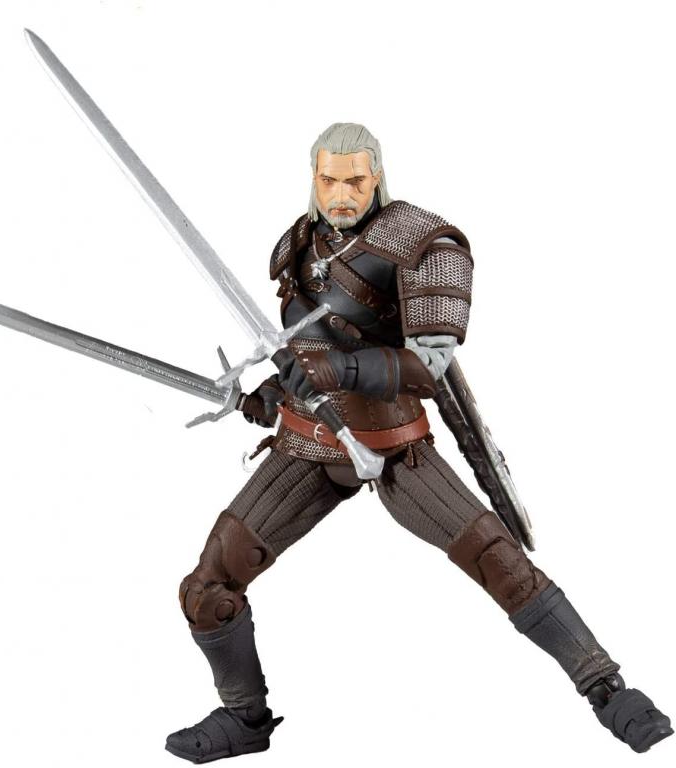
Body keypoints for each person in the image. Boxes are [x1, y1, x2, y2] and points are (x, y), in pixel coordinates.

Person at [164, 123, 672, 763]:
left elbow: (428, 367)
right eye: (329, 179)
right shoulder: (299, 243)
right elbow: (301, 347)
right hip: (309, 440)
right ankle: (245, 718)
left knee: (501, 564)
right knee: (207, 587)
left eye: (355, 179)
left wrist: (340, 370)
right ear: (313, 177)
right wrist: (272, 391)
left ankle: (608, 691)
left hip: (391, 442)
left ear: (377, 175)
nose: (341, 193)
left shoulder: (423, 242)